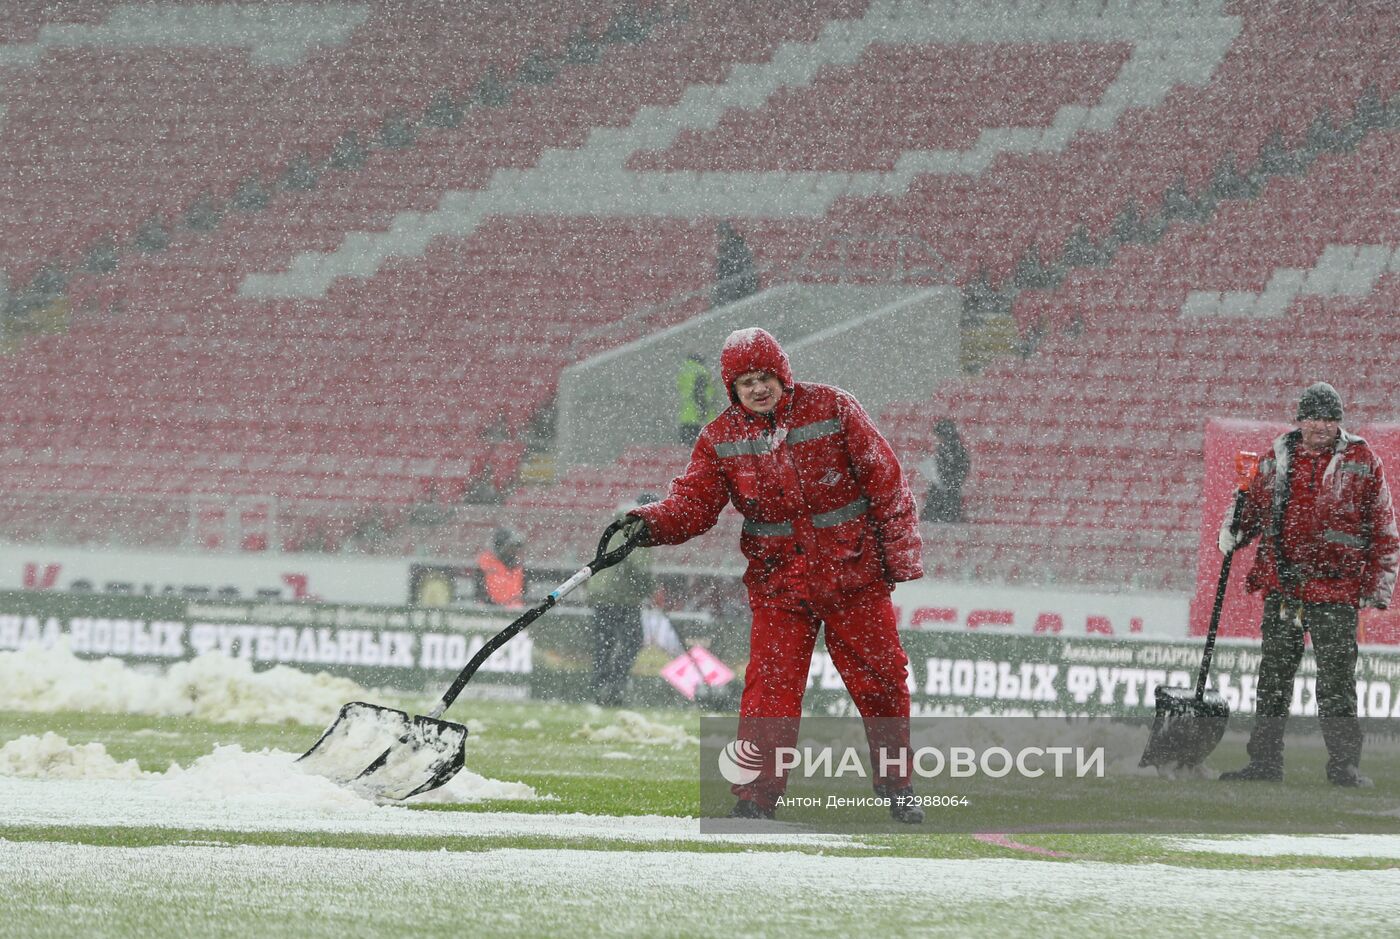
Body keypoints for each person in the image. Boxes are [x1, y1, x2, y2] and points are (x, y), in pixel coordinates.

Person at [619, 327, 926, 822]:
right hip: (779, 583)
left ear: (783, 374)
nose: (758, 389)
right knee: (769, 690)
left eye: (765, 377)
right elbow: (694, 504)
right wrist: (649, 522)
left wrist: (899, 558)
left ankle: (898, 784)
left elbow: (886, 482)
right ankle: (756, 797)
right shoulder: (719, 438)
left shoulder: (834, 408)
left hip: (854, 576)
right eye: (746, 383)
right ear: (732, 390)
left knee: (883, 682)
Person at [1217, 382, 1398, 787]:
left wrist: (1377, 588)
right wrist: (1233, 531)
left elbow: (1384, 530)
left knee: (1337, 685)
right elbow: (1249, 507)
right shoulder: (1276, 457)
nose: (1321, 426)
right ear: (1299, 420)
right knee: (1273, 682)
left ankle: (1344, 767)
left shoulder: (1363, 459)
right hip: (1285, 588)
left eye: (1330, 418)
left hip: (1336, 593)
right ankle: (1264, 763)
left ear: (1340, 423)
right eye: (1314, 417)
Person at [588, 494, 658, 706]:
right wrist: (650, 588)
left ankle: (600, 688)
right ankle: (614, 686)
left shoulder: (621, 521)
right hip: (621, 595)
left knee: (604, 644)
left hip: (603, 591)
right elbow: (637, 564)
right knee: (632, 641)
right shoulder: (639, 525)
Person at [918, 418, 970, 523]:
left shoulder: (948, 448)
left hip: (945, 488)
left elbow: (952, 469)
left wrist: (945, 479)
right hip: (948, 487)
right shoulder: (956, 447)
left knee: (941, 514)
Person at [676, 352, 720, 446]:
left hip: (685, 417)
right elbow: (700, 394)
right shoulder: (701, 371)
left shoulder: (684, 371)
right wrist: (703, 412)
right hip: (698, 419)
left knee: (685, 452)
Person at [476, 528, 526, 608]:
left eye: (515, 548)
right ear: (500, 546)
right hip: (490, 611)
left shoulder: (518, 567)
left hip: (515, 611)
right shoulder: (486, 564)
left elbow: (523, 592)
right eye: (510, 547)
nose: (513, 551)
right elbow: (480, 593)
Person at [713, 221, 759, 307]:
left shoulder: (735, 248)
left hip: (737, 289)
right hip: (733, 288)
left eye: (723, 234)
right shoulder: (728, 248)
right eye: (720, 235)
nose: (721, 238)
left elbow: (739, 269)